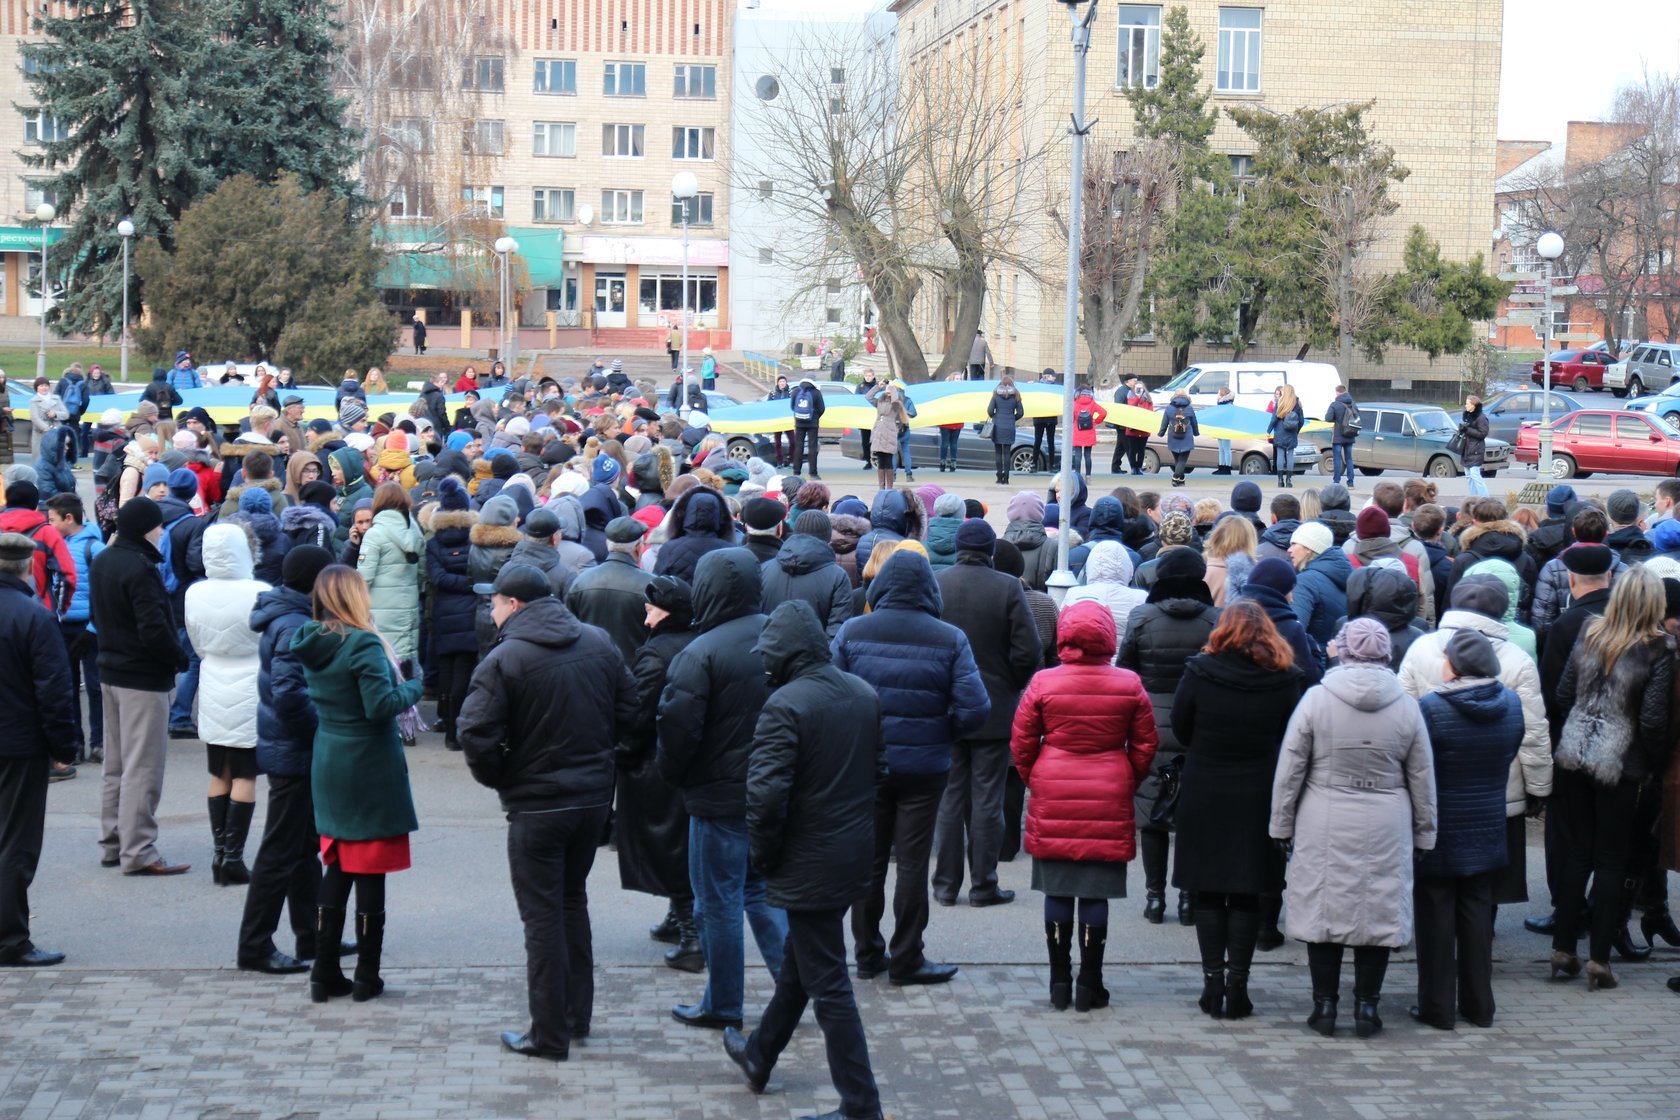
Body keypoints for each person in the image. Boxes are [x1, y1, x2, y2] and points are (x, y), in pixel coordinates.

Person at [457, 564, 637, 1060]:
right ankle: (575, 1018)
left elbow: (475, 733)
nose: (491, 612)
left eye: (493, 603)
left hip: (539, 807)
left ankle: (550, 1033)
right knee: (570, 904)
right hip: (590, 800)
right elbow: (631, 712)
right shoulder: (598, 642)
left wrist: (503, 776)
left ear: (513, 605)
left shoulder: (504, 659)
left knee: (542, 917)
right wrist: (606, 763)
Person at [721, 601, 886, 1120]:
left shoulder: (785, 706)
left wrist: (766, 858)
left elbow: (766, 796)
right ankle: (759, 1055)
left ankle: (860, 1105)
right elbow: (879, 771)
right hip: (851, 852)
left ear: (784, 653)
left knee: (828, 983)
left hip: (809, 859)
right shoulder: (861, 693)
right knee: (803, 962)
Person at [1270, 618, 1437, 1038]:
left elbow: (1291, 769)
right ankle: (1367, 1007)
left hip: (1323, 814)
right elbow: (1422, 775)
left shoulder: (1316, 700)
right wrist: (1424, 832)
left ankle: (1324, 1005)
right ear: (1386, 653)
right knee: (1376, 911)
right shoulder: (1406, 705)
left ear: (1342, 650)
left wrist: (1281, 825)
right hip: (1387, 818)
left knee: (1324, 907)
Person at [833, 547, 990, 986]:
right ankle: (907, 958)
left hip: (866, 766)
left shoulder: (852, 630)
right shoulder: (948, 637)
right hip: (925, 767)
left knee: (869, 862)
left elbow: (830, 690)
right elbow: (976, 708)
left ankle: (866, 954)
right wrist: (945, 731)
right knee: (914, 864)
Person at [656, 549, 787, 1031]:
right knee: (762, 893)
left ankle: (724, 1002)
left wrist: (674, 776)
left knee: (718, 901)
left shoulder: (702, 651)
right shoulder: (782, 634)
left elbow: (676, 728)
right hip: (774, 791)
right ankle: (798, 987)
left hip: (717, 799)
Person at [1011, 600, 1157, 1012]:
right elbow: (1146, 743)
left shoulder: (1043, 682)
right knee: (1095, 892)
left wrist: (1035, 777)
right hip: (1108, 786)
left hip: (1054, 785)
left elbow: (1021, 742)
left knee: (1058, 887)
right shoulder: (1129, 683)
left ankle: (1059, 981)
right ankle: (1090, 983)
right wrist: (1126, 775)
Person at [291, 566, 425, 1003]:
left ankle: (324, 972)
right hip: (367, 762)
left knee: (340, 864)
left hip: (331, 756)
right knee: (369, 869)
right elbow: (380, 706)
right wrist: (415, 685)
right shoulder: (362, 642)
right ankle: (367, 976)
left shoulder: (314, 639)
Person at [1171, 601, 1303, 1018]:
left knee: (1208, 888)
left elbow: (1180, 725)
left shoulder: (1199, 671)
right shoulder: (1285, 679)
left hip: (1206, 785)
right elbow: (1291, 736)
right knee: (1248, 889)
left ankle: (1213, 985)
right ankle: (1238, 986)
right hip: (1259, 788)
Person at [1549, 566, 1673, 990]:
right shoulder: (1660, 649)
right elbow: (1654, 720)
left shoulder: (1590, 631)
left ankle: (1563, 949)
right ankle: (1599, 959)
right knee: (1611, 859)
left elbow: (1565, 694)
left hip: (1574, 755)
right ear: (1655, 603)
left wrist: (1581, 729)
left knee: (1577, 854)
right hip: (1620, 764)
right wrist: (1652, 763)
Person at [1411, 628, 1524, 1029]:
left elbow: (1418, 767)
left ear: (1455, 666)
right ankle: (1480, 1006)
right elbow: (1511, 751)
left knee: (1435, 916)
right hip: (1488, 825)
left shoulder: (1430, 708)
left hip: (1440, 828)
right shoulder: (1511, 704)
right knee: (1477, 916)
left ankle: (1437, 1007)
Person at [237, 546, 339, 976]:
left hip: (291, 749)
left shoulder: (292, 615)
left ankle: (312, 936)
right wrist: (324, 732)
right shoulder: (295, 623)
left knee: (301, 849)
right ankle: (255, 945)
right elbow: (288, 696)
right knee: (280, 851)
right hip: (293, 751)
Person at [933, 519, 1040, 908]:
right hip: (994, 708)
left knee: (950, 798)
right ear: (990, 552)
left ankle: (945, 886)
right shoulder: (1008, 586)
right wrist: (1008, 683)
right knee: (988, 799)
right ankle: (983, 885)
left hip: (946, 706)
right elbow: (1029, 650)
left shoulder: (938, 583)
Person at [1116, 549, 1220, 926]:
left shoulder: (1142, 617)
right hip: (1199, 725)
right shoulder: (1216, 619)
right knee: (1193, 816)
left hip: (1150, 725)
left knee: (1152, 813)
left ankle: (1155, 898)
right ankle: (1189, 898)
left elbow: (1126, 670)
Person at [90, 497, 191, 876]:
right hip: (142, 678)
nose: (162, 531)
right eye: (158, 525)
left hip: (111, 672)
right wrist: (177, 659)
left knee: (116, 766)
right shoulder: (140, 567)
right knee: (142, 767)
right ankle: (139, 850)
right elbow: (153, 629)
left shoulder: (105, 559)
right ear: (145, 528)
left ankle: (114, 842)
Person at [618, 576, 704, 971]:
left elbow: (638, 711)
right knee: (678, 842)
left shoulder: (655, 655)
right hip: (689, 761)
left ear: (665, 613)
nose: (646, 617)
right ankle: (678, 919)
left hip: (657, 763)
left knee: (668, 847)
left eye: (651, 610)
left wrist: (622, 752)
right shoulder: (699, 643)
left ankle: (690, 934)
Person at [0, 532, 76, 966]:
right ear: (29, 566)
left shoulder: (31, 615)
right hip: (18, 743)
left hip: (16, 739)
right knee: (16, 842)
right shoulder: (33, 616)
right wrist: (63, 746)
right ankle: (10, 939)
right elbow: (54, 691)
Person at [185, 524, 269, 886]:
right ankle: (233, 857)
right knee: (246, 773)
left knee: (219, 770)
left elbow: (197, 641)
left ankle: (221, 853)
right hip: (250, 683)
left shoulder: (195, 592)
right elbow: (268, 640)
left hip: (214, 679)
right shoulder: (261, 591)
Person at [45, 494, 104, 765]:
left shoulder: (94, 547)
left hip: (89, 628)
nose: (49, 524)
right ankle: (75, 742)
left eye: (52, 519)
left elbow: (104, 594)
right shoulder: (54, 545)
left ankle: (99, 741)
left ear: (69, 518)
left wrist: (92, 628)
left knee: (95, 687)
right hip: (61, 626)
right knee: (66, 688)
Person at [356, 484, 424, 679]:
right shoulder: (415, 532)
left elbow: (363, 578)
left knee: (386, 658)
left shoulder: (374, 534)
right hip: (409, 605)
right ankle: (408, 700)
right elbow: (423, 571)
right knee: (407, 655)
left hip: (379, 609)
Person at [566, 517, 654, 664]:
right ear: (639, 547)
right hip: (634, 670)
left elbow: (570, 629)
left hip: (589, 667)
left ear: (608, 545)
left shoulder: (580, 582)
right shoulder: (651, 585)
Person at [759, 509, 853, 639]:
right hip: (815, 657)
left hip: (768, 654)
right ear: (828, 536)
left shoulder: (764, 569)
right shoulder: (838, 577)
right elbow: (836, 633)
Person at [1287, 521, 1352, 646]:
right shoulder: (1346, 574)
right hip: (1338, 658)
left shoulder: (1306, 581)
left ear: (1308, 548)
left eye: (1294, 544)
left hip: (1314, 659)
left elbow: (1294, 633)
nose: (1289, 550)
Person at [1156, 390, 1199, 487]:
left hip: (1173, 436)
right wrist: (1196, 433)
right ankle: (1176, 478)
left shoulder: (1169, 408)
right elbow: (1194, 422)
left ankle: (1181, 479)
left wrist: (1161, 433)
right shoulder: (1189, 408)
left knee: (1177, 460)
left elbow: (1164, 423)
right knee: (1182, 460)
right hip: (1186, 437)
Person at [987, 376, 1024, 485]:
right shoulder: (1016, 395)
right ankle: (1006, 478)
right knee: (1007, 452)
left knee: (998, 452)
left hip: (998, 426)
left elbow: (989, 410)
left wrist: (995, 416)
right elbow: (1021, 412)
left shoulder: (995, 395)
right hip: (1009, 427)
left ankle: (999, 477)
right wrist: (1013, 418)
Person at [1266, 384, 1305, 488]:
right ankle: (1289, 480)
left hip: (1280, 432)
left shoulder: (1280, 402)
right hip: (1292, 432)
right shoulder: (1297, 404)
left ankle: (1280, 480)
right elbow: (1301, 421)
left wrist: (1269, 430)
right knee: (1290, 455)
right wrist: (1296, 431)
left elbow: (1274, 419)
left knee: (1280, 455)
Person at [788, 375, 826, 479]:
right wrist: (815, 417)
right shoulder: (816, 392)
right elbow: (822, 408)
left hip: (799, 422)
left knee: (798, 447)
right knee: (812, 447)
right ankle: (813, 473)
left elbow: (792, 406)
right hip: (812, 423)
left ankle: (796, 472)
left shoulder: (796, 391)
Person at [1324, 385, 1360, 490]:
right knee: (1349, 459)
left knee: (1337, 458)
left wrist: (1337, 419)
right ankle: (1350, 483)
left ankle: (1336, 481)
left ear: (1338, 392)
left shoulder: (1335, 404)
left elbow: (1328, 418)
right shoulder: (1353, 404)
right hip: (1350, 433)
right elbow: (1358, 415)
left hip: (1338, 436)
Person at [1069, 385, 1106, 478]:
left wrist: (1074, 421)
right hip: (1089, 432)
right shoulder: (1093, 403)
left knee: (1077, 455)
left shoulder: (1074, 403)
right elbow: (1103, 413)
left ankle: (1077, 476)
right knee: (1088, 455)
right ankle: (1088, 476)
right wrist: (1096, 421)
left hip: (1077, 431)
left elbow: (1069, 416)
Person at [1457, 396, 1490, 498]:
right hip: (1467, 449)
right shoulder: (1469, 416)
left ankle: (1485, 498)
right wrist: (1462, 429)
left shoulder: (1481, 417)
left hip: (1476, 450)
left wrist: (1467, 430)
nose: (1465, 405)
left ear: (1474, 405)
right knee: (1469, 476)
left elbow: (1483, 434)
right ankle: (1473, 498)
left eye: (1467, 403)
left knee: (1475, 475)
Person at [1031, 369, 1060, 470]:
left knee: (1046, 442)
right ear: (1047, 376)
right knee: (1041, 441)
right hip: (1046, 418)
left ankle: (1039, 465)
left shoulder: (1037, 386)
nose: (1055, 377)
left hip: (1044, 418)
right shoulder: (1052, 388)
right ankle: (1047, 465)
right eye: (1053, 376)